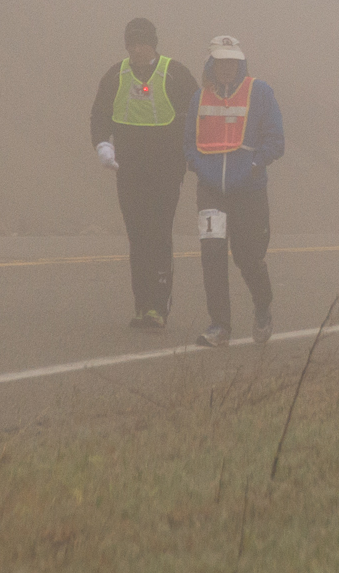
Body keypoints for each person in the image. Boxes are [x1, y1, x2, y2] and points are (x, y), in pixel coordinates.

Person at [89, 17, 197, 330]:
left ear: (153, 44)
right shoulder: (115, 75)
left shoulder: (175, 73)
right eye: (132, 44)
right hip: (129, 170)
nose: (137, 49)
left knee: (158, 234)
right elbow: (99, 114)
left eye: (142, 43)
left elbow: (197, 114)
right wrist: (102, 145)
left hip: (166, 171)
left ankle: (158, 308)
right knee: (137, 236)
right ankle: (141, 305)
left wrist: (191, 156)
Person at [183, 35, 285, 347]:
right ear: (211, 64)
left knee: (248, 257)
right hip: (211, 190)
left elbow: (276, 140)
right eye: (220, 61)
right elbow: (189, 141)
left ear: (240, 63)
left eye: (232, 62)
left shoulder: (260, 92)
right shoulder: (199, 98)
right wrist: (201, 168)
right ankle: (219, 326)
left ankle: (262, 306)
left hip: (249, 190)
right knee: (212, 253)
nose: (226, 67)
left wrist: (255, 164)